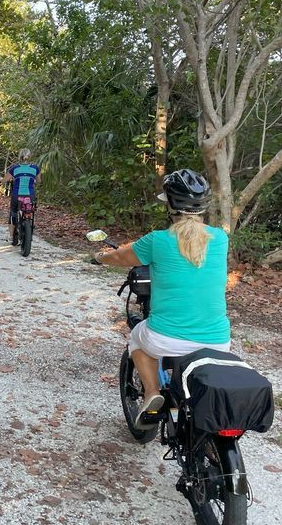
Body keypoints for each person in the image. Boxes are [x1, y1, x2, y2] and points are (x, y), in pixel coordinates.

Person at [94, 169, 230, 428]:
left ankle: (152, 394)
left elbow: (122, 257)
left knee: (136, 339)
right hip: (218, 342)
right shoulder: (221, 239)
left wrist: (100, 257)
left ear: (170, 204)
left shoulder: (157, 241)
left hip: (165, 338)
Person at [3, 149, 41, 243]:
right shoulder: (35, 168)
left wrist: (1, 179)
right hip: (30, 195)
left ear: (20, 157)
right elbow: (39, 181)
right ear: (30, 156)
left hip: (17, 195)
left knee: (13, 213)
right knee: (30, 211)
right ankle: (29, 230)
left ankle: (11, 237)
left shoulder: (14, 168)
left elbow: (5, 180)